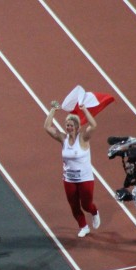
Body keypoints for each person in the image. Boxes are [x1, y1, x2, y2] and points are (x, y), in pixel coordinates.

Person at [44, 101, 101, 237]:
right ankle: (83, 227)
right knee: (74, 206)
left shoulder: (83, 139)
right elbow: (47, 127)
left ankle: (94, 212)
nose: (68, 128)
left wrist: (85, 110)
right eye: (67, 125)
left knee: (86, 205)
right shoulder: (63, 139)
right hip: (69, 179)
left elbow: (94, 125)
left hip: (85, 179)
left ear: (76, 126)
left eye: (70, 125)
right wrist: (53, 110)